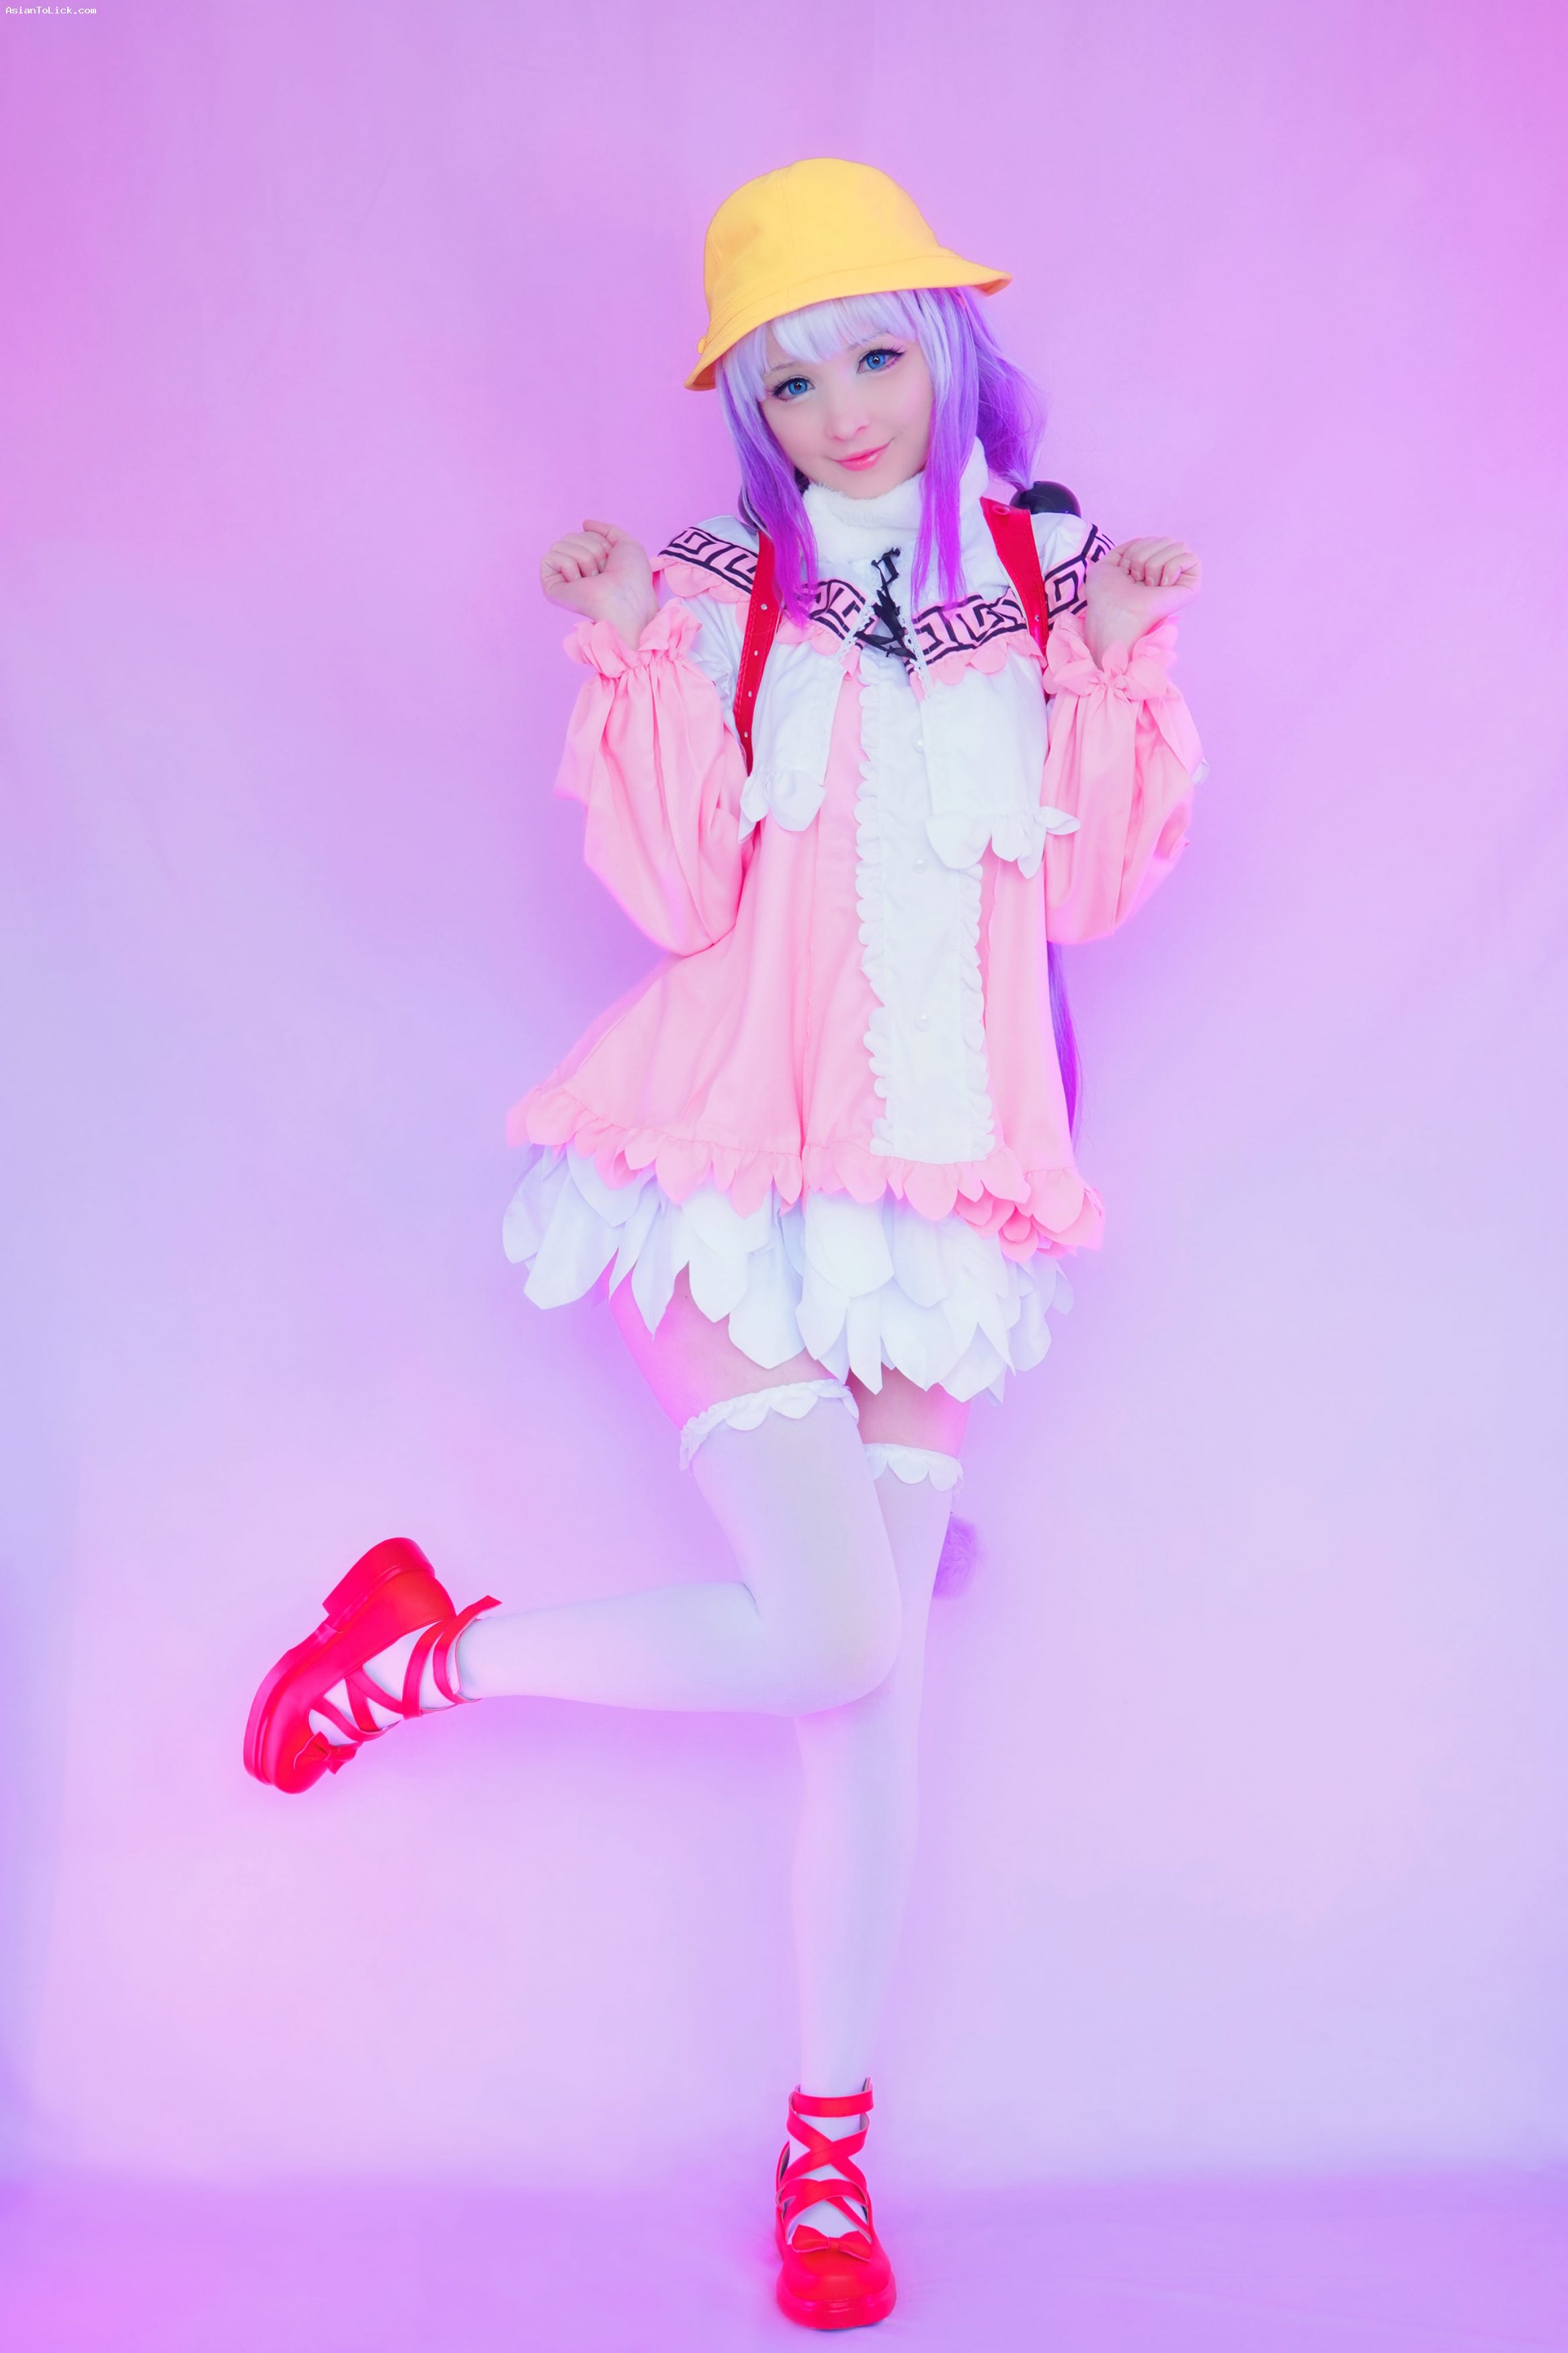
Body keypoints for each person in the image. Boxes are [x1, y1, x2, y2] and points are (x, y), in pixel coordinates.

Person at [244, 158, 1204, 2332]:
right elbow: (680, 896)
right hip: (723, 1167)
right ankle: (428, 1652)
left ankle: (827, 2154)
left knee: (870, 1701)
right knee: (843, 1641)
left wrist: (1120, 664)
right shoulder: (709, 587)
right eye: (790, 382)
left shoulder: (1047, 579)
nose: (842, 410)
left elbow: (1085, 894)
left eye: (874, 356)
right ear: (749, 414)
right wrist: (627, 652)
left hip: (945, 1202)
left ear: (946, 352)